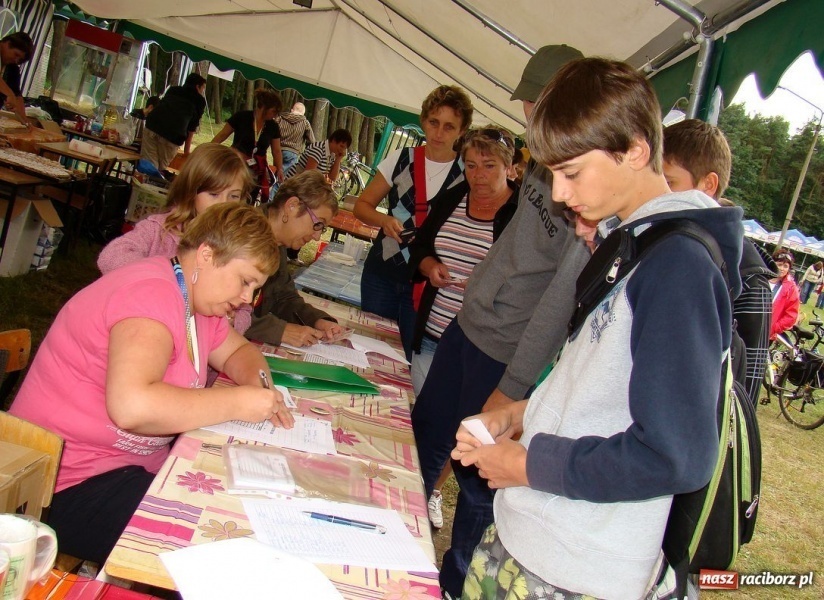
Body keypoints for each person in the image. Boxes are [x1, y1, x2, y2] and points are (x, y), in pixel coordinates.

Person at [453, 57, 742, 600]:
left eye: (571, 172)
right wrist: (523, 415)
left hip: (578, 568)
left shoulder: (678, 266)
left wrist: (530, 463)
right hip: (535, 539)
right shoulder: (631, 244)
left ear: (634, 149)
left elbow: (673, 453)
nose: (560, 195)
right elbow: (603, 390)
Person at [10, 203, 293, 565]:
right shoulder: (150, 294)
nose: (246, 300)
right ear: (207, 255)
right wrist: (240, 403)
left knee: (236, 512)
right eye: (245, 281)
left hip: (121, 468)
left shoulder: (200, 302)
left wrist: (263, 388)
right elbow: (133, 407)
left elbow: (239, 354)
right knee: (217, 546)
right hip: (61, 485)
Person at [409, 46, 588, 598]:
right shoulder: (540, 159)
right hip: (467, 329)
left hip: (502, 354)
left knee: (479, 481)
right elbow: (512, 244)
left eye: (538, 101)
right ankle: (398, 539)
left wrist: (512, 387)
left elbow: (560, 300)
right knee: (425, 437)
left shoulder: (586, 184)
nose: (529, 112)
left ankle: (455, 581)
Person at [408, 127, 518, 530]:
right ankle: (413, 493)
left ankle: (430, 491)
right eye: (471, 165)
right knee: (427, 422)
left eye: (489, 165)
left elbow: (529, 283)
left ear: (510, 166)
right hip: (437, 331)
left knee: (466, 434)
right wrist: (428, 266)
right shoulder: (454, 197)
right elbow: (420, 245)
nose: (478, 175)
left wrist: (489, 288)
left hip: (485, 344)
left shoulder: (521, 213)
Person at [354, 85, 473, 360]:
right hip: (381, 274)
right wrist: (384, 220)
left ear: (462, 130)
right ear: (423, 121)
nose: (439, 133)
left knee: (407, 357)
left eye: (449, 126)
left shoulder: (467, 175)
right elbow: (362, 206)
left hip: (426, 283)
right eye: (433, 123)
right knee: (370, 350)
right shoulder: (401, 159)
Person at [662, 118, 774, 406]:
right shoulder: (661, 242)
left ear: (708, 184)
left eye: (670, 182)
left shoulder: (748, 271)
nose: (660, 194)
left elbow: (749, 375)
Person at [98, 143, 254, 331]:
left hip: (194, 347)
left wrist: (231, 322)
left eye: (233, 196)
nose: (223, 204)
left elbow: (245, 310)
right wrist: (172, 288)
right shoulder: (160, 229)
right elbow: (111, 256)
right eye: (213, 194)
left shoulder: (236, 247)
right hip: (144, 333)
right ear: (191, 190)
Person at [245, 171, 346, 347]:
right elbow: (221, 313)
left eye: (322, 229)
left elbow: (284, 296)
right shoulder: (242, 235)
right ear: (292, 206)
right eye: (318, 224)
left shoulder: (278, 242)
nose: (316, 237)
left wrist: (317, 320)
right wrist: (280, 331)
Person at [211, 88, 285, 200]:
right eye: (274, 111)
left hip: (256, 169)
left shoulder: (273, 126)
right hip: (236, 163)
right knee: (232, 192)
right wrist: (208, 150)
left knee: (249, 197)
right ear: (264, 107)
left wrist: (279, 169)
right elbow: (222, 135)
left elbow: (276, 151)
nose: (275, 115)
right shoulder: (242, 117)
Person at [142, 72, 207, 171]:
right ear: (197, 87)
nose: (202, 91)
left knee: (148, 163)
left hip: (153, 124)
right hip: (173, 134)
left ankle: (145, 179)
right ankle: (152, 181)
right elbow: (191, 127)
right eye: (203, 88)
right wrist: (186, 151)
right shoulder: (199, 101)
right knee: (161, 167)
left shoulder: (173, 90)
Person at [283, 127, 352, 183]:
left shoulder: (332, 154)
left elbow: (332, 178)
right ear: (334, 140)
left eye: (344, 148)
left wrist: (338, 160)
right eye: (341, 146)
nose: (342, 150)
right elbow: (308, 174)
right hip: (294, 183)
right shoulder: (318, 149)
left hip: (304, 184)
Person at [0, 31, 34, 127]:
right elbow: (11, 93)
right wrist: (9, 93)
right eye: (16, 54)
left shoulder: (12, 67)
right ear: (7, 44)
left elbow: (17, 94)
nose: (16, 60)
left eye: (20, 59)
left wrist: (23, 119)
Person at [277, 102, 316, 174]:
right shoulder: (305, 123)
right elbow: (312, 141)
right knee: (287, 177)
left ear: (292, 110)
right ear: (303, 113)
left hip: (278, 150)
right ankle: (277, 185)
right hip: (293, 153)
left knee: (277, 172)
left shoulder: (280, 119)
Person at [770, 251, 800, 340]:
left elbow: (791, 315)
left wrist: (774, 328)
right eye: (779, 264)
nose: (782, 269)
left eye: (785, 266)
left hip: (767, 333)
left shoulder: (791, 288)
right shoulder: (760, 278)